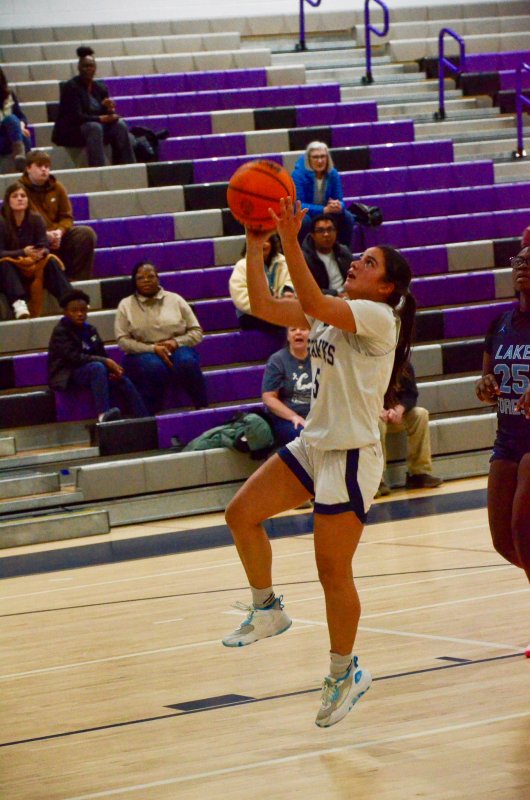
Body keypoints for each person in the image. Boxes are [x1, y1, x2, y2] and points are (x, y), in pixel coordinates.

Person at [222, 197, 416, 728]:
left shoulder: (378, 317)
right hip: (315, 445)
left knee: (332, 572)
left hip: (351, 455)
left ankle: (344, 671)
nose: (357, 263)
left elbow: (309, 297)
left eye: (369, 263)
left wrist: (290, 236)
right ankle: (267, 609)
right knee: (240, 514)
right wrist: (256, 245)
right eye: (361, 259)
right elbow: (263, 305)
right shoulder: (332, 311)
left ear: (387, 288)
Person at [475, 245, 530, 659]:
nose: (523, 267)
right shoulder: (500, 323)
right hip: (507, 436)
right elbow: (486, 379)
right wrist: (485, 386)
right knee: (503, 540)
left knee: (522, 528)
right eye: (519, 261)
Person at [115, 261, 208, 414]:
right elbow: (123, 341)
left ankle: (202, 407)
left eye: (150, 276)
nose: (146, 280)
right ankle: (150, 414)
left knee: (187, 362)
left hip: (176, 347)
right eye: (140, 278)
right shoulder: (125, 305)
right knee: (154, 368)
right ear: (134, 281)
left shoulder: (176, 299)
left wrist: (175, 342)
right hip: (142, 352)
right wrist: (152, 348)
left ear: (158, 278)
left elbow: (196, 331)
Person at [48, 289, 149, 422]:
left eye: (83, 310)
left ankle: (144, 418)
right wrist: (105, 362)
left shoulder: (90, 330)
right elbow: (74, 358)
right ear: (65, 312)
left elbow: (101, 354)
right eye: (74, 311)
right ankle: (103, 414)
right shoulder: (60, 331)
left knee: (121, 377)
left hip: (92, 369)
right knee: (97, 367)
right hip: (68, 373)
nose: (80, 314)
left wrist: (113, 370)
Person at [52, 46, 136, 167]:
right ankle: (98, 169)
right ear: (79, 68)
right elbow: (76, 117)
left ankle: (128, 166)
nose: (88, 69)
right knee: (94, 127)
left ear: (95, 68)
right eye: (85, 66)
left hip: (96, 129)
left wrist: (110, 110)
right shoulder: (71, 87)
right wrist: (101, 119)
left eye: (91, 66)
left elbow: (105, 114)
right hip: (72, 131)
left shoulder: (100, 87)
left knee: (120, 124)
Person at [20, 149, 97, 281]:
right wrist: (45, 235)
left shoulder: (57, 187)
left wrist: (59, 232)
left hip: (58, 236)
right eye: (39, 166)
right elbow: (22, 222)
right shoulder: (20, 191)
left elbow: (67, 217)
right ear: (28, 168)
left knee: (86, 234)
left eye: (47, 166)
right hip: (34, 239)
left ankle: (78, 281)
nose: (44, 170)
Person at [0, 182, 71, 319]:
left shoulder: (36, 219)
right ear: (8, 200)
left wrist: (40, 253)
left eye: (23, 196)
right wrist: (23, 252)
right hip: (10, 269)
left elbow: (44, 245)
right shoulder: (1, 222)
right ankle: (19, 304)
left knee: (50, 261)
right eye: (15, 196)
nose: (20, 199)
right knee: (4, 263)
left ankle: (69, 299)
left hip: (32, 264)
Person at [377, 360, 443, 495]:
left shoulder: (403, 364)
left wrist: (401, 408)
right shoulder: (368, 363)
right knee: (376, 424)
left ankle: (418, 473)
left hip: (398, 415)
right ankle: (377, 480)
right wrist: (376, 410)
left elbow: (411, 393)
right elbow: (361, 395)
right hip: (375, 416)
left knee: (420, 414)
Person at [292, 141, 356, 248]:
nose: (320, 161)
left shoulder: (333, 173)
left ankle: (343, 252)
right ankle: (304, 253)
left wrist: (338, 205)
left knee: (348, 217)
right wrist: (323, 210)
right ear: (308, 159)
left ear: (327, 158)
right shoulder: (297, 175)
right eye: (315, 157)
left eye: (323, 156)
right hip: (309, 213)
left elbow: (339, 199)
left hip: (327, 211)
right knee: (305, 221)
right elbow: (298, 205)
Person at [229, 233, 294, 336]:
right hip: (251, 314)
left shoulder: (282, 262)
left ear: (272, 243)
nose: (263, 244)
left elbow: (290, 281)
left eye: (267, 240)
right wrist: (265, 307)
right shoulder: (242, 266)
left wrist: (286, 293)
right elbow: (240, 297)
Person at [261, 325, 312, 446]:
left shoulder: (319, 357)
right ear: (288, 336)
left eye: (303, 329)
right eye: (293, 330)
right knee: (304, 436)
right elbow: (268, 397)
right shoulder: (277, 360)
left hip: (316, 417)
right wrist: (293, 417)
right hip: (287, 419)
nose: (298, 332)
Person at [302, 214, 353, 296]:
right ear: (312, 235)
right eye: (320, 231)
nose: (326, 234)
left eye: (330, 229)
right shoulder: (304, 258)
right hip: (323, 299)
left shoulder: (344, 252)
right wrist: (336, 294)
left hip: (349, 296)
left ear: (336, 232)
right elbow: (306, 289)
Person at [0, 67, 31, 172]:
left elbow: (21, 116)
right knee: (11, 119)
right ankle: (21, 157)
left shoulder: (9, 95)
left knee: (24, 136)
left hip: (12, 135)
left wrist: (21, 126)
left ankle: (21, 162)